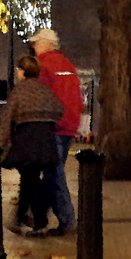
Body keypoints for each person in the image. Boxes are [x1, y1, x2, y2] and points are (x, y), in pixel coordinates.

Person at [0, 55, 65, 238]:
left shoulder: (19, 91)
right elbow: (59, 109)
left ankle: (40, 222)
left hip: (26, 139)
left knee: (30, 179)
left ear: (22, 71)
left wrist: (3, 143)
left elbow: (7, 118)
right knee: (30, 179)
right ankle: (19, 218)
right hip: (46, 139)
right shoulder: (45, 89)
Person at [29, 27, 81, 237]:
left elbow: (40, 96)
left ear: (45, 44)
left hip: (53, 125)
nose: (34, 47)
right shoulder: (67, 65)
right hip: (69, 124)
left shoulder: (44, 66)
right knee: (53, 172)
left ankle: (67, 220)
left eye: (36, 43)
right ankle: (41, 214)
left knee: (54, 173)